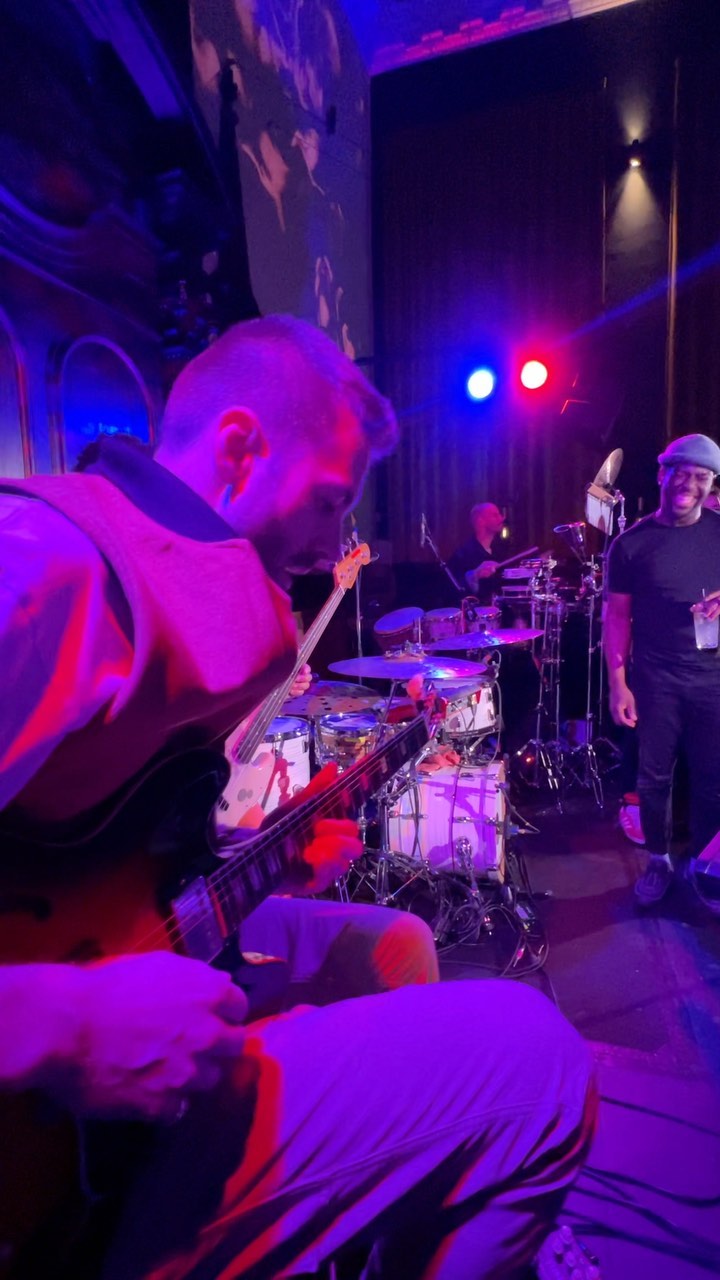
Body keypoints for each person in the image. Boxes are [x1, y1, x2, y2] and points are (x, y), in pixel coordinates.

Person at [0, 315, 595, 1280]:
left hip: (104, 967)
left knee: (394, 943)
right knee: (542, 1061)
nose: (330, 548)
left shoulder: (157, 579)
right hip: (42, 1128)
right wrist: (67, 1026)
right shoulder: (41, 566)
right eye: (326, 503)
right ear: (239, 450)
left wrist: (269, 849)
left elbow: (118, 854)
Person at [605, 432, 720, 906]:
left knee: (713, 779)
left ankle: (704, 865)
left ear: (711, 483)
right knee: (653, 780)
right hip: (656, 681)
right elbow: (617, 617)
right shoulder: (630, 545)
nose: (688, 484)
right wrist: (618, 684)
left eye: (700, 476)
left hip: (713, 679)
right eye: (680, 473)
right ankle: (659, 861)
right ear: (661, 475)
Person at [447, 502, 506, 603]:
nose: (501, 518)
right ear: (480, 521)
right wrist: (474, 576)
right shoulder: (463, 555)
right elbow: (456, 594)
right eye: (495, 515)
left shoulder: (501, 551)